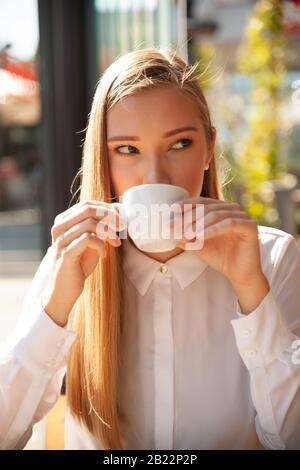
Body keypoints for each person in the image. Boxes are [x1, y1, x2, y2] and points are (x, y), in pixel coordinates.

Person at [0, 47, 300, 450]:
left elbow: (289, 437)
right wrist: (55, 308)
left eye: (179, 145)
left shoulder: (272, 259)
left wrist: (251, 290)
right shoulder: (69, 264)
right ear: (103, 161)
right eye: (128, 150)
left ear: (209, 148)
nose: (154, 176)